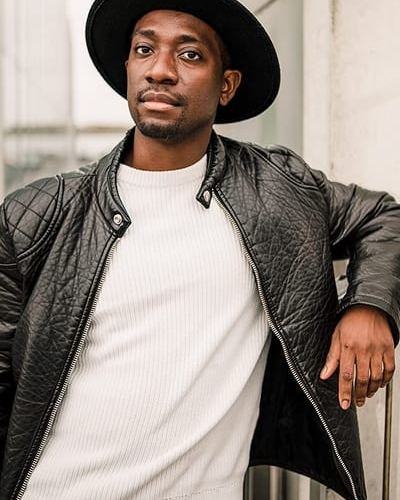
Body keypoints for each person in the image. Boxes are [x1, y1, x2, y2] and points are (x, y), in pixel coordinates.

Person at [0, 0, 399, 499]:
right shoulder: (38, 215)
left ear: (226, 85)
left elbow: (383, 216)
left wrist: (369, 306)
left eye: (189, 55)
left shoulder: (278, 189)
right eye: (144, 49)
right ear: (128, 68)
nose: (160, 70)